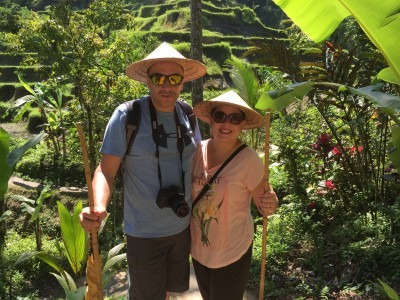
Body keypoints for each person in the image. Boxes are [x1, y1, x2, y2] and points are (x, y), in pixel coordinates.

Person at [79, 42, 206, 300]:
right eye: (159, 77)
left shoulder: (188, 116)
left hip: (182, 227)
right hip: (145, 233)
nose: (166, 85)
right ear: (148, 81)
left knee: (168, 292)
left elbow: (201, 164)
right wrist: (98, 207)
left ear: (183, 83)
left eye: (174, 78)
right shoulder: (128, 116)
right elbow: (105, 170)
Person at [190, 90, 279, 300]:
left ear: (241, 125)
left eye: (234, 118)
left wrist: (270, 202)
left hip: (232, 253)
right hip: (200, 251)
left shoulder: (248, 159)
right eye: (220, 116)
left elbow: (265, 201)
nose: (226, 124)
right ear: (211, 120)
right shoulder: (196, 151)